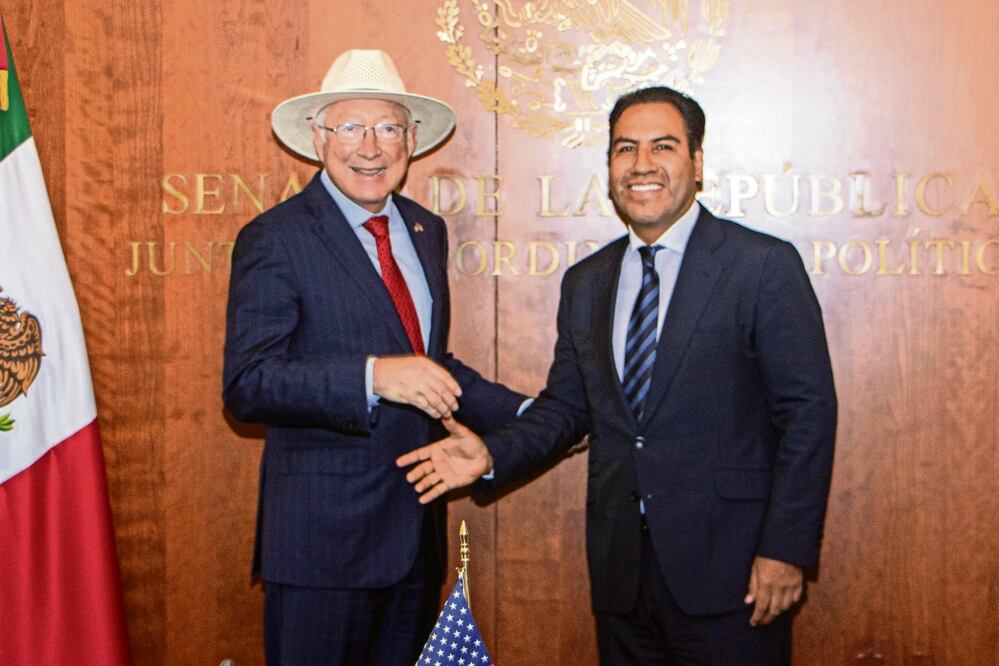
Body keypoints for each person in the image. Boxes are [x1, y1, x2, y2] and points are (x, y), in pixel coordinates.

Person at [398, 86, 837, 664]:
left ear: (697, 162)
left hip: (735, 575)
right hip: (622, 577)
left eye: (663, 146)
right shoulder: (587, 282)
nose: (642, 165)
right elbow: (567, 409)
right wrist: (493, 455)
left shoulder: (760, 265)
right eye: (625, 149)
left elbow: (808, 415)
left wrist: (786, 550)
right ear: (609, 165)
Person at [222, 49, 525, 665]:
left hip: (413, 540)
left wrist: (535, 414)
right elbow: (248, 383)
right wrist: (373, 378)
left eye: (387, 127)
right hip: (319, 550)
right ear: (318, 138)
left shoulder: (424, 229)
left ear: (411, 140)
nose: (370, 146)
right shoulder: (275, 237)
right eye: (350, 127)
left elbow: (429, 366)